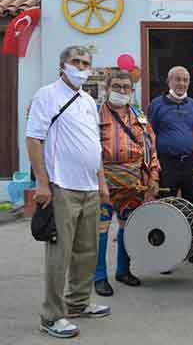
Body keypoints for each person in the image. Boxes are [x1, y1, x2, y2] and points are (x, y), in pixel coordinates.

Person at [26, 45, 110, 339]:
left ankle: (77, 302)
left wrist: (101, 181)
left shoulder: (88, 100)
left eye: (85, 63)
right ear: (62, 65)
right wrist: (42, 181)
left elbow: (94, 144)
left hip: (89, 186)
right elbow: (34, 138)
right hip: (61, 186)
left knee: (87, 250)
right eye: (76, 61)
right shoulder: (46, 95)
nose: (81, 66)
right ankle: (51, 315)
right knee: (59, 254)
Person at [93, 71, 160, 297]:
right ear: (106, 88)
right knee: (101, 229)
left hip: (133, 183)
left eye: (126, 87)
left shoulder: (139, 116)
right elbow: (88, 150)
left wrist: (153, 176)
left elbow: (151, 147)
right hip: (102, 181)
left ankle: (123, 270)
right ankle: (99, 276)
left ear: (132, 91)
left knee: (127, 226)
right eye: (117, 86)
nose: (122, 91)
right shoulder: (94, 114)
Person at [147, 66, 193, 267]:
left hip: (189, 162)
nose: (181, 84)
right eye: (177, 79)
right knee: (166, 208)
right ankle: (166, 255)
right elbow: (150, 135)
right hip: (166, 164)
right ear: (169, 81)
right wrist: (153, 168)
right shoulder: (156, 105)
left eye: (185, 80)